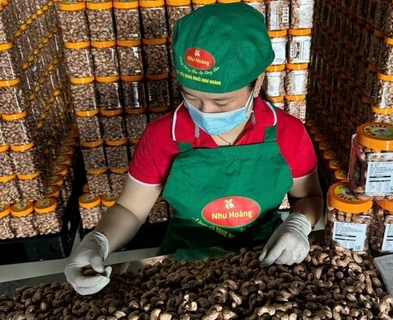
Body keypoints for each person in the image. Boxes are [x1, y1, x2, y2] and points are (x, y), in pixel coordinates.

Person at [65, 3, 324, 296]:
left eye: (222, 103)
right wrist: (97, 242)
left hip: (265, 259)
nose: (206, 111)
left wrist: (299, 224)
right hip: (184, 268)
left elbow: (310, 197)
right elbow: (130, 209)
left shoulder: (288, 133)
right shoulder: (162, 136)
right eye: (191, 97)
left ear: (258, 82)